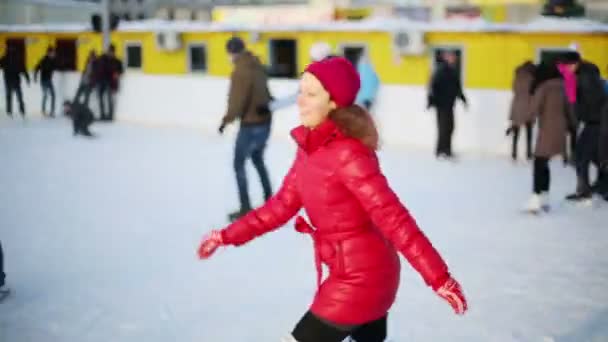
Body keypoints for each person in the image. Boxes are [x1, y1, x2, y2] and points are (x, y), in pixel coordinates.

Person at [198, 57, 467, 342]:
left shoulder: (349, 154)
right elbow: (278, 208)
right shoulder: (309, 150)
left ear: (334, 103)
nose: (301, 101)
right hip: (355, 270)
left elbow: (392, 216)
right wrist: (227, 235)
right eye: (301, 91)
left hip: (362, 279)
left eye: (311, 94)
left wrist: (439, 277)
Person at [219, 37, 274, 222]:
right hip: (265, 121)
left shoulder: (240, 71)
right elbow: (265, 92)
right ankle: (270, 200)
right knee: (258, 159)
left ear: (232, 52)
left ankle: (245, 207)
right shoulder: (257, 64)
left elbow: (237, 101)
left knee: (239, 164)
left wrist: (225, 121)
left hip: (251, 124)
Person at [562, 52, 607, 203]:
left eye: (567, 65)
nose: (565, 69)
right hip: (594, 122)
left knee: (580, 157)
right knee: (593, 156)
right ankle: (601, 186)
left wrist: (575, 100)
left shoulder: (585, 78)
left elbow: (594, 103)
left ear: (575, 64)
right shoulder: (585, 75)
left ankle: (585, 191)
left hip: (597, 122)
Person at [523, 62, 569, 213]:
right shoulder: (564, 86)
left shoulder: (544, 87)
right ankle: (545, 197)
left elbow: (533, 109)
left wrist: (526, 117)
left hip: (547, 130)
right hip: (560, 131)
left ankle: (536, 199)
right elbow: (570, 109)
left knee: (539, 163)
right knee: (544, 163)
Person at [427, 51, 467, 160]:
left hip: (449, 104)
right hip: (441, 105)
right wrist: (431, 101)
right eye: (451, 57)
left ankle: (447, 150)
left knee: (450, 127)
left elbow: (457, 88)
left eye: (454, 57)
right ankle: (440, 150)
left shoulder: (453, 71)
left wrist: (463, 100)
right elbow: (433, 87)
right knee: (443, 128)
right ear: (446, 57)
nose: (454, 59)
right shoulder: (441, 70)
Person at [506, 61, 536, 162]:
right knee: (529, 132)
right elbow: (534, 92)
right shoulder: (532, 79)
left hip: (517, 106)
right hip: (528, 105)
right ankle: (528, 154)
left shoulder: (517, 77)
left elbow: (514, 89)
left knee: (516, 132)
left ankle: (514, 153)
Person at [0, 46, 30, 118]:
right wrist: (27, 78)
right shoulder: (15, 58)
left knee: (11, 96)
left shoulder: (6, 58)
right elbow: (23, 69)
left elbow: (23, 68)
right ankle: (21, 110)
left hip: (9, 80)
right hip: (14, 80)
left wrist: (27, 77)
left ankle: (10, 111)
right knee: (18, 96)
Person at [96, 44, 123, 121]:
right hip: (101, 81)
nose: (110, 53)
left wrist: (117, 73)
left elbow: (121, 71)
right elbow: (98, 67)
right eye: (109, 51)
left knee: (109, 99)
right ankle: (102, 115)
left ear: (114, 52)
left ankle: (110, 116)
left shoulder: (117, 61)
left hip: (110, 82)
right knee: (100, 98)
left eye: (112, 52)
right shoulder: (103, 58)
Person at [34, 47, 58, 117]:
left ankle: (52, 111)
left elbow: (55, 66)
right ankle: (43, 110)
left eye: (54, 53)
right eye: (53, 53)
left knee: (53, 95)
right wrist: (35, 77)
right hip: (44, 80)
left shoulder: (52, 60)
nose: (54, 54)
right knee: (45, 95)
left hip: (49, 80)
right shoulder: (44, 60)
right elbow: (37, 67)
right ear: (49, 53)